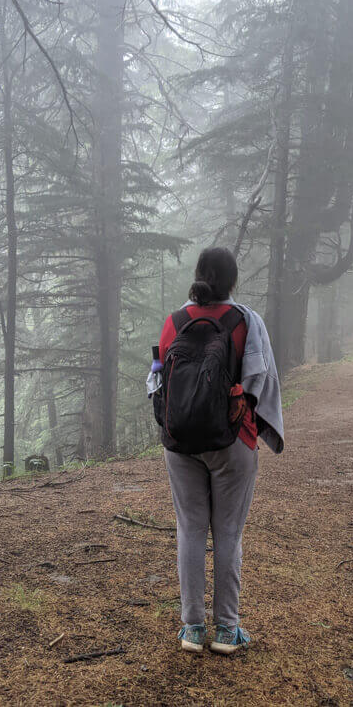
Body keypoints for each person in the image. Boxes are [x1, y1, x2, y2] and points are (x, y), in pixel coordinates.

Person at [151, 247, 284, 655]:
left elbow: (156, 385)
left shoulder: (173, 323)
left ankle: (192, 628)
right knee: (228, 532)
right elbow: (259, 378)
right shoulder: (246, 321)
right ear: (232, 280)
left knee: (190, 529)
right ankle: (227, 630)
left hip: (180, 444)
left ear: (197, 276)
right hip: (232, 443)